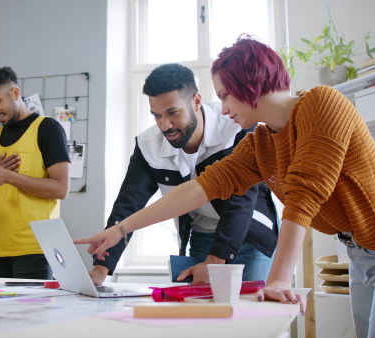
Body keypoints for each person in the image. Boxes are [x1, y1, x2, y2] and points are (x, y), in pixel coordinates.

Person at [75, 35, 375, 337]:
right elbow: (201, 188)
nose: (222, 108)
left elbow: (304, 195)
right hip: (362, 256)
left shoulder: (322, 104)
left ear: (247, 85)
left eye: (224, 94)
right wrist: (121, 229)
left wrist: (279, 279)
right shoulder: (261, 143)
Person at [88, 63, 279, 286]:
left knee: (249, 312)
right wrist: (100, 270)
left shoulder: (237, 126)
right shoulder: (149, 145)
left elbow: (242, 200)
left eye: (172, 113)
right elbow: (128, 205)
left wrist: (216, 260)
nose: (164, 125)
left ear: (196, 101)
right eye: (156, 115)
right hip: (203, 235)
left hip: (249, 233)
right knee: (202, 313)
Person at [0, 66, 70, 280]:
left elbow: (61, 189)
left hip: (35, 247)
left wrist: (8, 177)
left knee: (31, 313)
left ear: (15, 93)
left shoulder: (47, 128)